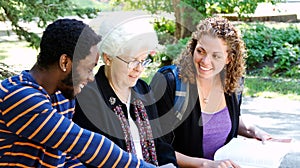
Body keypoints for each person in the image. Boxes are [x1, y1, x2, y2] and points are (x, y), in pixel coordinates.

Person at [0, 18, 168, 167]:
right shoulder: (19, 97)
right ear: (65, 62)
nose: (91, 78)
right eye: (88, 69)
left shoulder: (63, 96)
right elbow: (86, 144)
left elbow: (68, 157)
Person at [150, 17, 272, 168]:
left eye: (216, 56)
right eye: (201, 51)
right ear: (193, 48)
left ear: (229, 59)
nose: (205, 61)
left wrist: (254, 131)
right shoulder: (168, 82)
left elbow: (226, 118)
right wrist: (206, 164)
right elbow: (156, 147)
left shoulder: (233, 83)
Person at [73, 18, 178, 167]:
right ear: (108, 58)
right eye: (133, 61)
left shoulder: (143, 89)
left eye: (144, 60)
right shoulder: (89, 97)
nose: (139, 69)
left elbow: (161, 144)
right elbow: (97, 159)